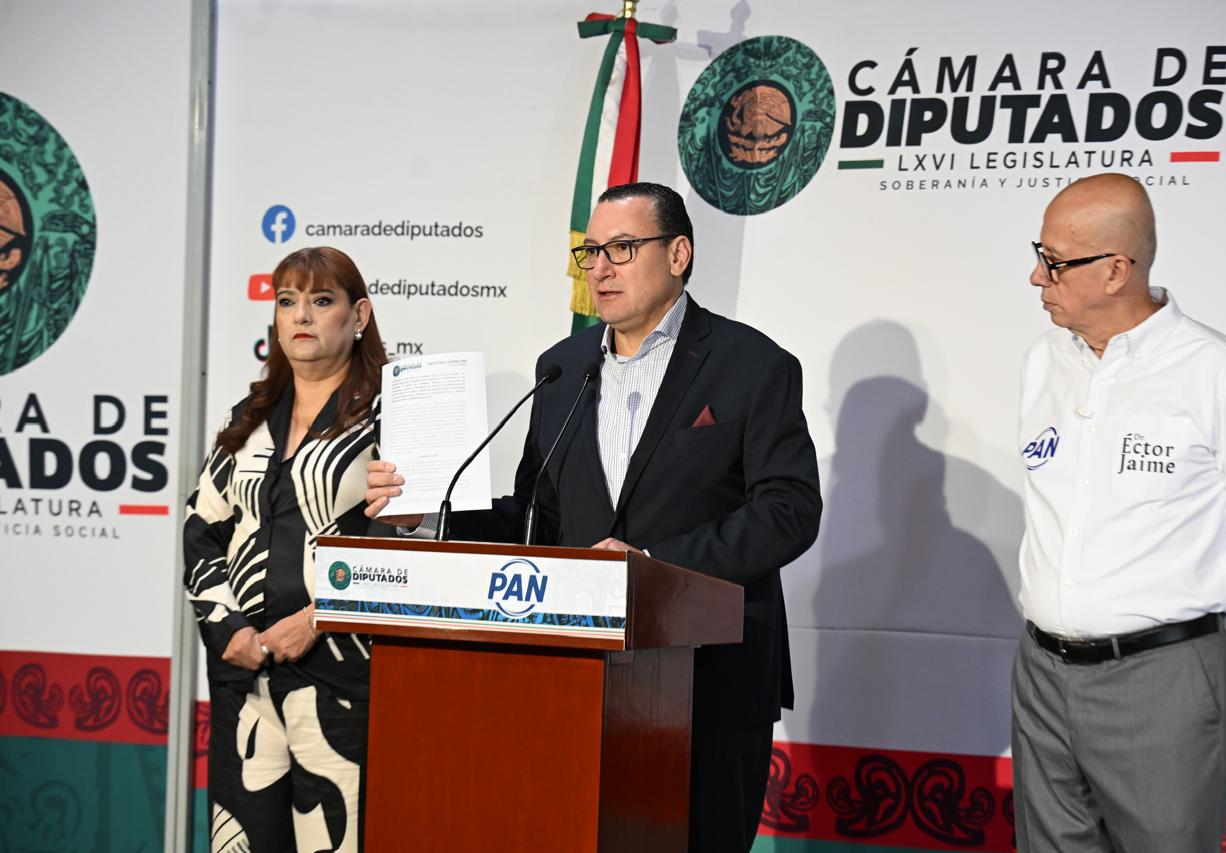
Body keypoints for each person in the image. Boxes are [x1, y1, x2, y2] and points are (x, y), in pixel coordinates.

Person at [366, 182, 822, 853]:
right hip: (576, 683)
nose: (600, 268)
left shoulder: (752, 365)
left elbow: (789, 510)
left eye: (622, 248)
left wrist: (654, 568)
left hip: (712, 683)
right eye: (590, 252)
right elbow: (536, 517)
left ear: (678, 254)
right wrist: (428, 516)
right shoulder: (562, 368)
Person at [1015, 172, 1226, 851]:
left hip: (1165, 683)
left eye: (1054, 261)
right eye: (1040, 255)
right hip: (1041, 674)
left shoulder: (1218, 373)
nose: (1036, 276)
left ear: (1116, 270)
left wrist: (1197, 669)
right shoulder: (1045, 362)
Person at [185, 246, 386, 852]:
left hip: (344, 682)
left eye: (321, 301)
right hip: (245, 679)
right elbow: (203, 529)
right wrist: (228, 629)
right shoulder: (250, 416)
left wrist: (317, 618)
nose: (301, 315)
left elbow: (410, 548)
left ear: (358, 315)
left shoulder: (389, 416)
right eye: (287, 301)